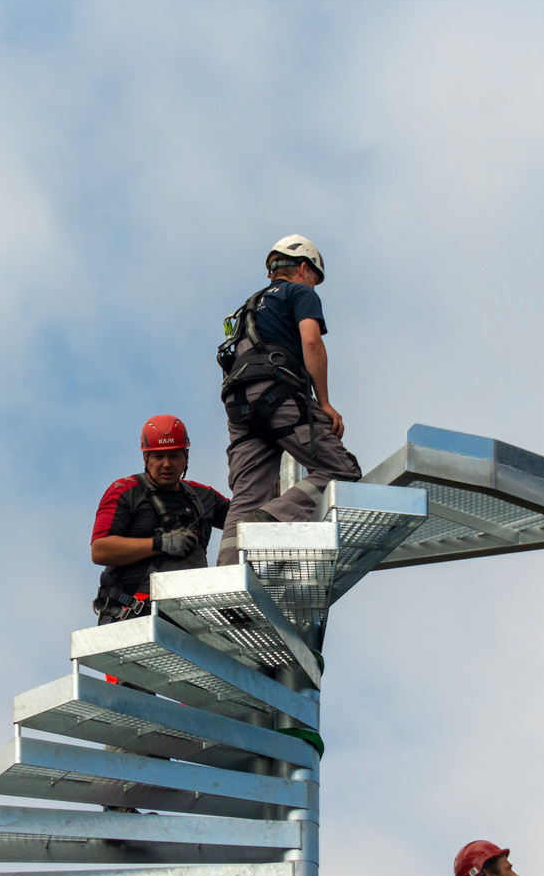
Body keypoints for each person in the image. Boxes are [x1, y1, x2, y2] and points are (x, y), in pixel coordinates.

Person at [214, 234, 363, 566]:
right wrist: (324, 403)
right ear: (303, 268)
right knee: (342, 472)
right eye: (315, 278)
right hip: (277, 393)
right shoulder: (299, 292)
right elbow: (311, 342)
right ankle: (272, 521)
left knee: (246, 496)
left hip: (239, 405)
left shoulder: (249, 306)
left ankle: (226, 575)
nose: (315, 286)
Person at [91, 414, 230, 623]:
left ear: (186, 456)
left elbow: (245, 513)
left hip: (190, 618)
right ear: (145, 458)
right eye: (158, 456)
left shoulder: (202, 496)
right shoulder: (125, 492)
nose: (166, 464)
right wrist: (160, 544)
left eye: (174, 456)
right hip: (133, 618)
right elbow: (100, 550)